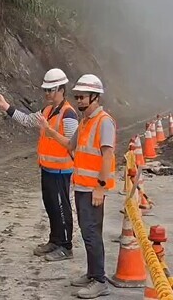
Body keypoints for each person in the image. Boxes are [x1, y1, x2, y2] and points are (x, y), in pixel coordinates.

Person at [0, 68, 78, 262]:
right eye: (45, 90)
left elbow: (73, 144)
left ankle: (66, 246)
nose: (47, 94)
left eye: (51, 90)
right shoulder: (47, 110)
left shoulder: (68, 114)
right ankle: (55, 240)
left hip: (62, 171)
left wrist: (50, 132)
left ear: (61, 89)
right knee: (51, 206)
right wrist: (6, 106)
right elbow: (27, 121)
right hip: (47, 169)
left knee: (62, 207)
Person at [40, 74, 116, 299]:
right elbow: (69, 144)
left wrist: (101, 188)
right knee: (86, 232)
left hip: (93, 189)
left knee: (92, 234)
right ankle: (92, 274)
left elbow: (108, 155)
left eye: (82, 97)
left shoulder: (104, 122)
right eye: (77, 97)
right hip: (82, 186)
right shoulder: (85, 122)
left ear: (95, 97)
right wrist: (50, 131)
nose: (79, 100)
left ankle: (99, 280)